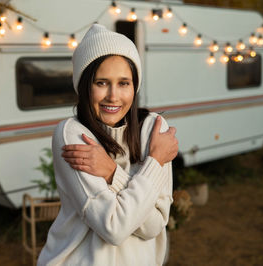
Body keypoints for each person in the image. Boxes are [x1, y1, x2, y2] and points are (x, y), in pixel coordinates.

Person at [37, 24, 178, 266]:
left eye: (124, 83)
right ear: (84, 87)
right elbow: (113, 227)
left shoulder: (153, 129)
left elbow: (154, 225)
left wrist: (112, 173)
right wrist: (154, 162)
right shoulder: (72, 133)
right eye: (101, 83)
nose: (113, 96)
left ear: (135, 85)